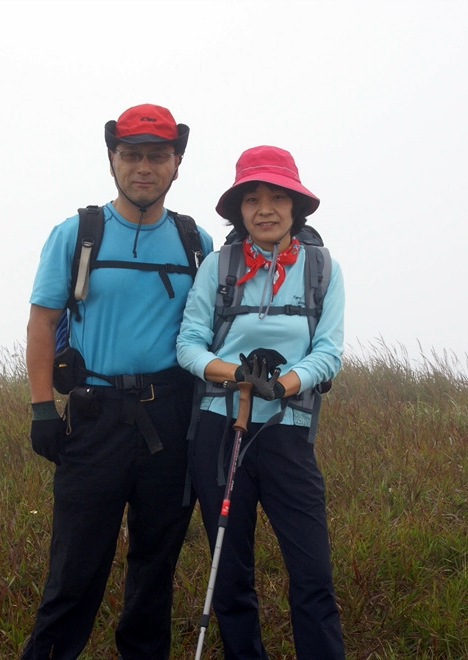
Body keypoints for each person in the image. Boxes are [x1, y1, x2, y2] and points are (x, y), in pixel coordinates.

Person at [22, 103, 214, 660]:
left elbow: (220, 325)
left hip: (171, 418)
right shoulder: (78, 233)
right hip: (94, 416)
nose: (144, 167)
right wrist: (40, 409)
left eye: (157, 156)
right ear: (113, 160)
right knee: (75, 569)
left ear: (177, 163)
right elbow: (43, 320)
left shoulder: (193, 241)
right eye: (131, 155)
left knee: (155, 569)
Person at [177, 145, 346, 658]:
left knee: (312, 573)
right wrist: (237, 374)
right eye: (253, 198)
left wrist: (287, 383)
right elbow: (188, 344)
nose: (265, 208)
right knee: (229, 575)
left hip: (288, 434)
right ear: (239, 209)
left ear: (296, 206)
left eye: (277, 196)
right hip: (219, 429)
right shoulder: (218, 266)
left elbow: (329, 351)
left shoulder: (322, 270)